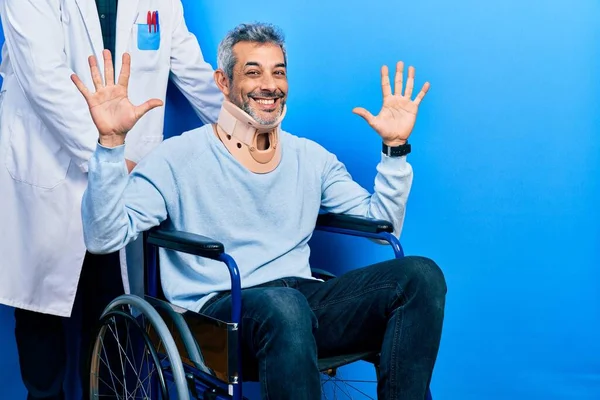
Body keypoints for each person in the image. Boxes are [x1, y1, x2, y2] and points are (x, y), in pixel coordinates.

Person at [74, 22, 447, 399]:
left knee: (421, 275)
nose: (270, 85)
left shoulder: (310, 158)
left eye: (278, 72)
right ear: (222, 82)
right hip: (217, 312)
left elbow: (383, 226)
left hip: (300, 301)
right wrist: (110, 144)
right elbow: (103, 236)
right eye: (253, 72)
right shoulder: (176, 158)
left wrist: (395, 149)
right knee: (285, 306)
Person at [0, 0, 222, 398]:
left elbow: (193, 71)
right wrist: (109, 154)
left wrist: (249, 124)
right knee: (41, 320)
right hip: (49, 171)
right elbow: (43, 81)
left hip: (122, 182)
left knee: (112, 310)